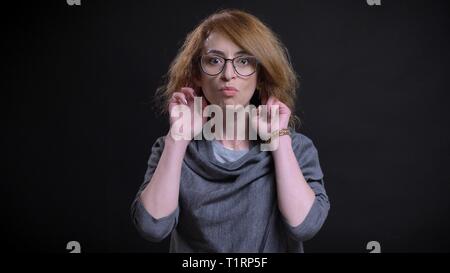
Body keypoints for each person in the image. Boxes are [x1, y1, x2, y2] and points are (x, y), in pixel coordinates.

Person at [130, 9, 330, 253]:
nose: (228, 74)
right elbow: (153, 228)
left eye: (244, 61)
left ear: (260, 75)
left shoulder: (296, 148)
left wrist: (278, 140)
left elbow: (304, 227)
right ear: (197, 75)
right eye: (214, 60)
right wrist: (178, 139)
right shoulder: (171, 148)